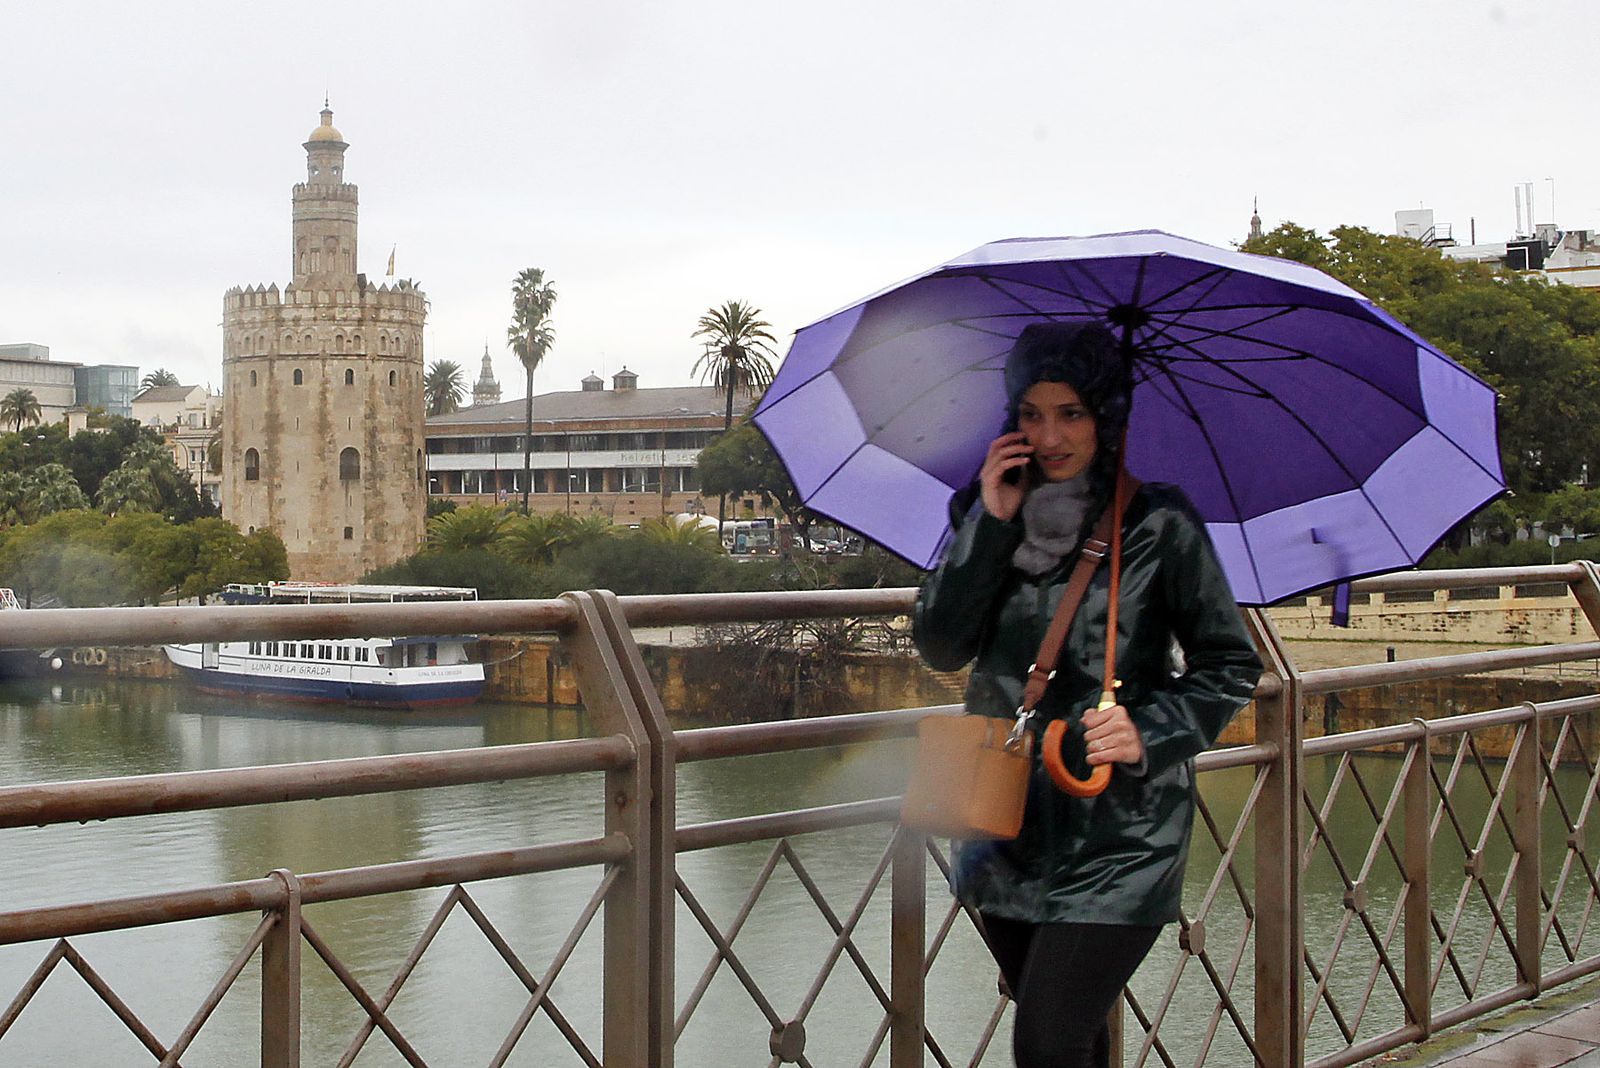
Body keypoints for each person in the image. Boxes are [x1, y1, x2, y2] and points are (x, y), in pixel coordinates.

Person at [913, 321, 1262, 1068]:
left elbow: (1230, 663)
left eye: (1070, 413)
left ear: (1106, 417)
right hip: (1001, 819)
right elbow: (941, 645)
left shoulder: (1160, 523)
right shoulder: (983, 510)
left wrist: (1152, 726)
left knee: (1045, 1042)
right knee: (1071, 1041)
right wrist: (987, 524)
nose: (1049, 435)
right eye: (1032, 413)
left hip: (1119, 830)